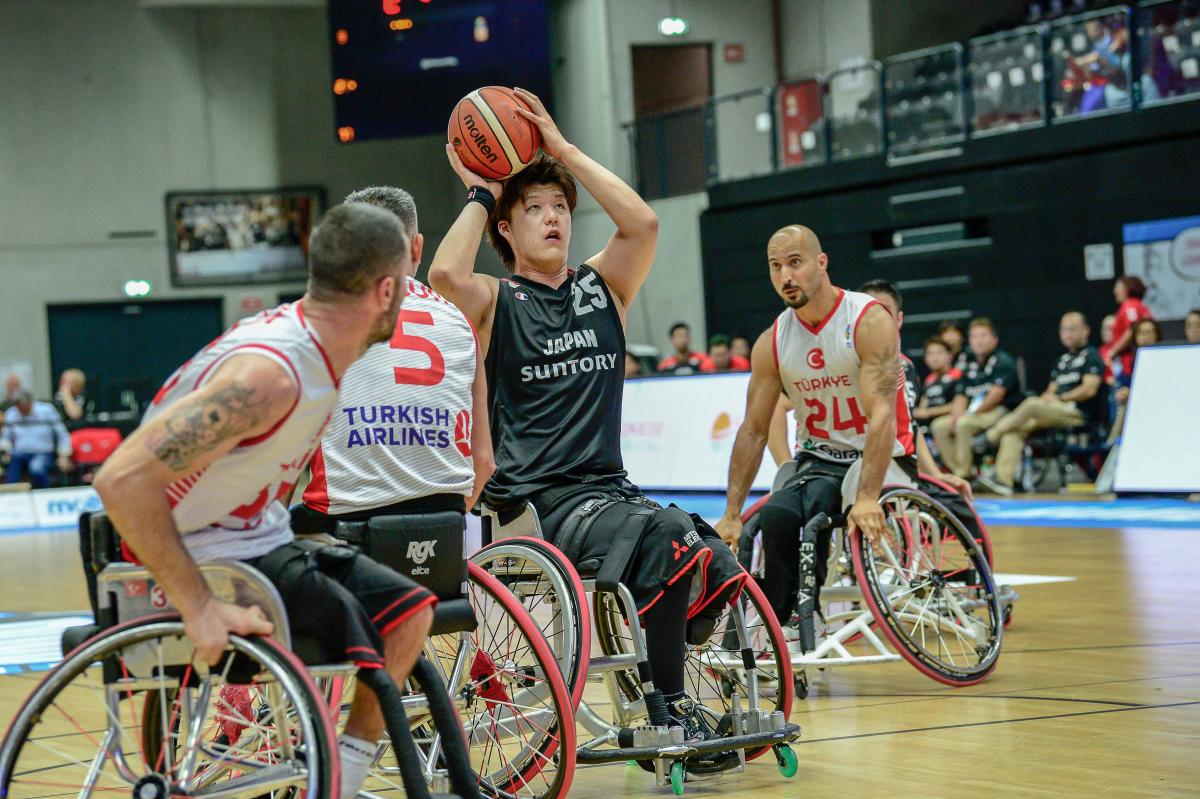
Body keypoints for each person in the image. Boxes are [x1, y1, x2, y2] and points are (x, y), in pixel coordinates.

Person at [427, 88, 745, 760]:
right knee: (667, 537)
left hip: (610, 489)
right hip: (538, 500)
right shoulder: (497, 299)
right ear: (507, 230)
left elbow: (644, 224)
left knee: (711, 549)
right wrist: (485, 191)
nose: (553, 219)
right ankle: (668, 708)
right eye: (534, 209)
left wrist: (564, 151)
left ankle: (667, 664)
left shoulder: (603, 288)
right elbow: (446, 273)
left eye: (561, 208)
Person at [93, 203, 436, 799]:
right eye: (406, 286)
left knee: (410, 613)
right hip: (195, 554)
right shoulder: (269, 376)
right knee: (386, 617)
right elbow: (120, 482)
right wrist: (198, 606)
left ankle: (340, 781)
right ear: (387, 290)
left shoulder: (322, 349)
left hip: (254, 538)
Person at [713, 226, 916, 641]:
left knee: (822, 509)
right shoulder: (772, 341)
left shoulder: (866, 319)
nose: (785, 276)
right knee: (776, 515)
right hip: (820, 460)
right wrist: (732, 514)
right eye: (775, 267)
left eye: (795, 263)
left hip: (878, 458)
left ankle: (806, 610)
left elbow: (882, 415)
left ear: (821, 263)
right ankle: (785, 623)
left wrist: (866, 496)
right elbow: (753, 430)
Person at [296, 186, 493, 529]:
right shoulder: (461, 323)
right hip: (442, 521)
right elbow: (484, 462)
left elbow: (285, 455)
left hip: (345, 523)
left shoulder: (315, 321)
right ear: (417, 247)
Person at [983, 312, 1103, 490]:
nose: (1067, 334)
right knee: (1015, 430)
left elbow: (1089, 389)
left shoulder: (1091, 355)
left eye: (1072, 329)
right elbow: (1050, 392)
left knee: (1032, 403)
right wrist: (1050, 398)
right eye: (1064, 330)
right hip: (1053, 411)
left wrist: (1059, 398)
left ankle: (990, 436)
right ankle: (1003, 481)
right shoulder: (1061, 361)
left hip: (1077, 413)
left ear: (1085, 331)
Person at [930, 317, 1021, 489]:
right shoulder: (969, 364)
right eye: (974, 336)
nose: (978, 340)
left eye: (983, 335)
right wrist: (955, 415)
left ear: (994, 339)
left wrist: (968, 414)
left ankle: (963, 475)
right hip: (975, 412)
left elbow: (995, 395)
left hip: (1000, 410)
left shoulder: (1003, 361)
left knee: (963, 424)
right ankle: (958, 472)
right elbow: (961, 395)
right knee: (940, 425)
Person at [1, 392, 73, 488]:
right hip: (19, 453)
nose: (22, 412)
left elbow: (62, 434)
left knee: (37, 468)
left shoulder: (47, 410)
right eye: (20, 409)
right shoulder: (11, 413)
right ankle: (11, 498)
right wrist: (6, 450)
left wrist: (64, 455)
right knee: (12, 470)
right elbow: (5, 437)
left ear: (31, 403)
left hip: (43, 453)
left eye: (25, 408)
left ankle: (43, 494)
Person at [1106, 276, 1153, 379]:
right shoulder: (1140, 305)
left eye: (1118, 287)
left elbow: (1133, 329)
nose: (1115, 291)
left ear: (1128, 288)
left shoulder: (1130, 305)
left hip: (1131, 364)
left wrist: (1113, 352)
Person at [914, 337, 961, 424]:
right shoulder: (928, 380)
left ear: (950, 355)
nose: (935, 358)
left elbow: (960, 405)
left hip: (950, 423)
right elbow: (922, 408)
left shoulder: (958, 375)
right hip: (929, 425)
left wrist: (930, 412)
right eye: (930, 354)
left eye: (939, 353)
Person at [1098, 313, 1117, 384]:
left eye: (1109, 328)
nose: (1104, 332)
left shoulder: (1126, 350)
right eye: (1103, 328)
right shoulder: (1099, 352)